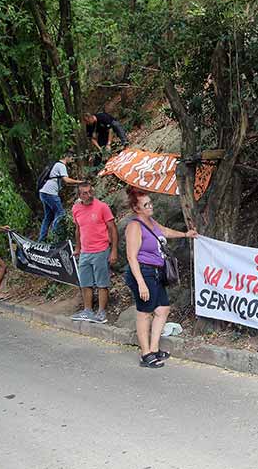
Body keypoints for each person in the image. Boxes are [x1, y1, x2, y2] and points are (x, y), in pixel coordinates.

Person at [123, 187, 197, 368]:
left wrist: (185, 234)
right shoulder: (134, 226)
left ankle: (154, 348)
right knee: (145, 313)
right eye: (145, 205)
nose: (150, 207)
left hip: (157, 271)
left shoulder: (151, 222)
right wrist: (141, 283)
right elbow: (131, 256)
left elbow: (164, 231)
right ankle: (145, 354)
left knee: (163, 309)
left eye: (150, 203)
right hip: (143, 272)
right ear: (136, 208)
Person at [71, 182, 118, 324]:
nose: (89, 195)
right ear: (79, 195)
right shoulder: (76, 209)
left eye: (90, 191)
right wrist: (78, 248)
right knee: (85, 283)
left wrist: (114, 251)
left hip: (101, 250)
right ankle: (87, 311)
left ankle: (101, 313)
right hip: (85, 252)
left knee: (102, 283)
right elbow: (78, 229)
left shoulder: (102, 207)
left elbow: (113, 229)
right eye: (85, 193)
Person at [38, 150, 83, 242]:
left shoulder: (56, 164)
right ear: (66, 157)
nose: (72, 160)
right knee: (60, 214)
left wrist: (77, 184)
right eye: (71, 158)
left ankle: (41, 240)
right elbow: (66, 180)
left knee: (48, 217)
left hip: (43, 192)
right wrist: (81, 182)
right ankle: (56, 239)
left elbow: (65, 182)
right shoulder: (61, 165)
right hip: (50, 193)